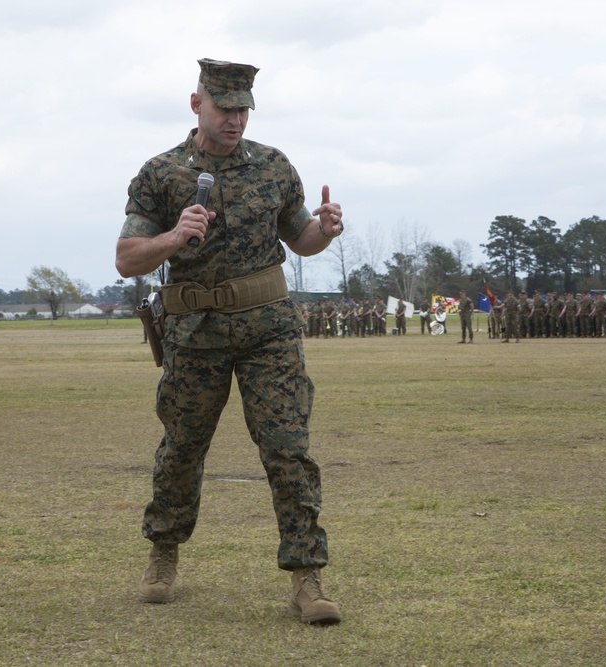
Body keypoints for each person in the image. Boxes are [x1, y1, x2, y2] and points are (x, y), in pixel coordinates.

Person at [115, 58, 343, 624]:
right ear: (197, 106)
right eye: (225, 108)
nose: (235, 119)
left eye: (243, 109)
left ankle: (307, 577)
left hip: (270, 333)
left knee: (288, 450)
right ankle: (163, 554)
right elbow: (125, 259)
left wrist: (326, 229)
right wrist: (174, 235)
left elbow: (301, 239)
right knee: (183, 449)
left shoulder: (272, 166)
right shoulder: (161, 174)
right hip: (196, 335)